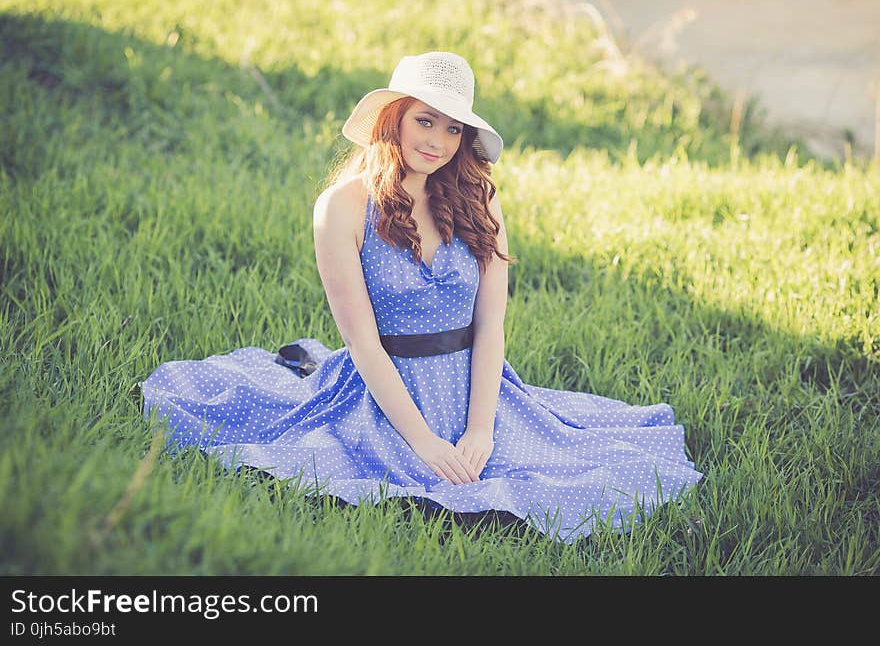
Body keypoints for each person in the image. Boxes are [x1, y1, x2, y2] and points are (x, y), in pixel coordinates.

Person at [141, 52, 703, 544]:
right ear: (394, 119)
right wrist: (426, 442)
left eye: (454, 128)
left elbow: (490, 327)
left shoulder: (479, 198)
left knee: (580, 469)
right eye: (425, 121)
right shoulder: (343, 206)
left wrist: (479, 429)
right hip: (384, 388)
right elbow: (361, 341)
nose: (437, 141)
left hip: (473, 388)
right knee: (382, 469)